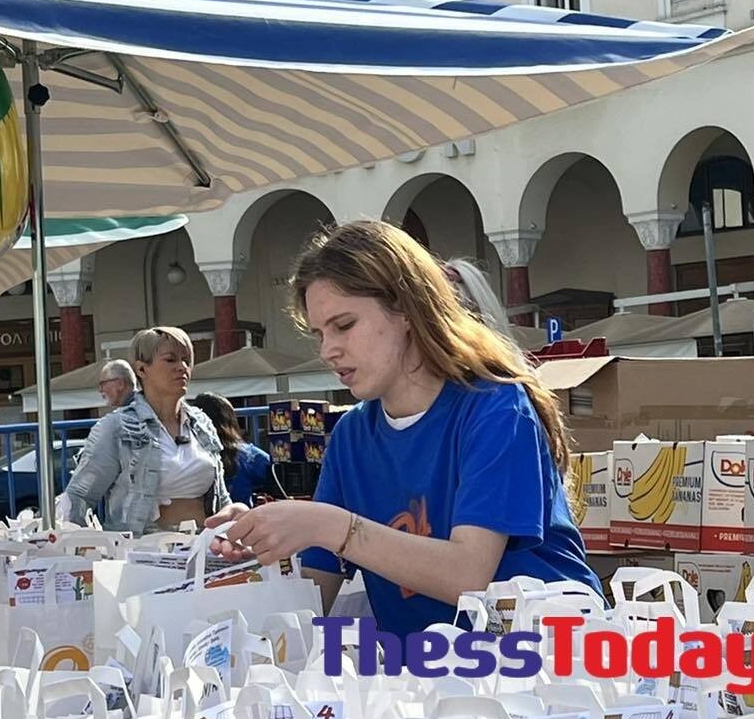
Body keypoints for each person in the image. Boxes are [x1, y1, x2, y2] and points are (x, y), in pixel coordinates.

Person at [207, 220, 596, 629]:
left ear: (407, 310)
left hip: (548, 664)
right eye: (319, 334)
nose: (328, 350)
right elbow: (315, 589)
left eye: (344, 325)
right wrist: (261, 545)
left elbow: (469, 575)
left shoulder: (496, 407)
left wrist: (327, 525)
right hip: (426, 676)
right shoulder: (351, 435)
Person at [59, 325, 224, 533]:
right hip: (145, 554)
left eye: (187, 360)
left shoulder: (201, 424)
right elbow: (79, 497)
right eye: (171, 359)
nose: (182, 367)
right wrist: (88, 550)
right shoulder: (116, 428)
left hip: (205, 547)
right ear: (141, 369)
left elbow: (221, 497)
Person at [191, 391, 286, 507]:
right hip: (239, 518)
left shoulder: (185, 453)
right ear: (230, 420)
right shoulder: (247, 455)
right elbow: (278, 477)